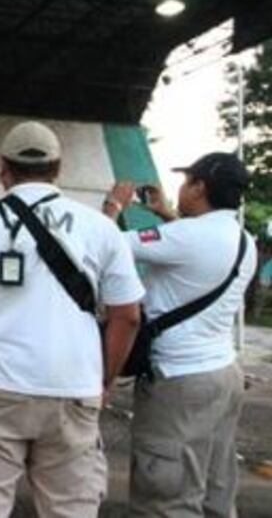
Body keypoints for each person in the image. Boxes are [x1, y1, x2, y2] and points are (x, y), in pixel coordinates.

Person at [0, 121, 145, 518]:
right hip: (74, 387)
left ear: (2, 168)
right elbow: (127, 316)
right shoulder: (100, 228)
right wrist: (104, 380)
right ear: (58, 168)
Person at [104, 152, 257, 518]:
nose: (180, 188)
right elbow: (193, 249)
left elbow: (105, 245)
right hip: (223, 376)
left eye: (186, 181)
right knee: (215, 491)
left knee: (166, 499)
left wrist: (113, 206)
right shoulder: (242, 240)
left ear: (200, 187)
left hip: (180, 383)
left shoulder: (184, 236)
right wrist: (165, 214)